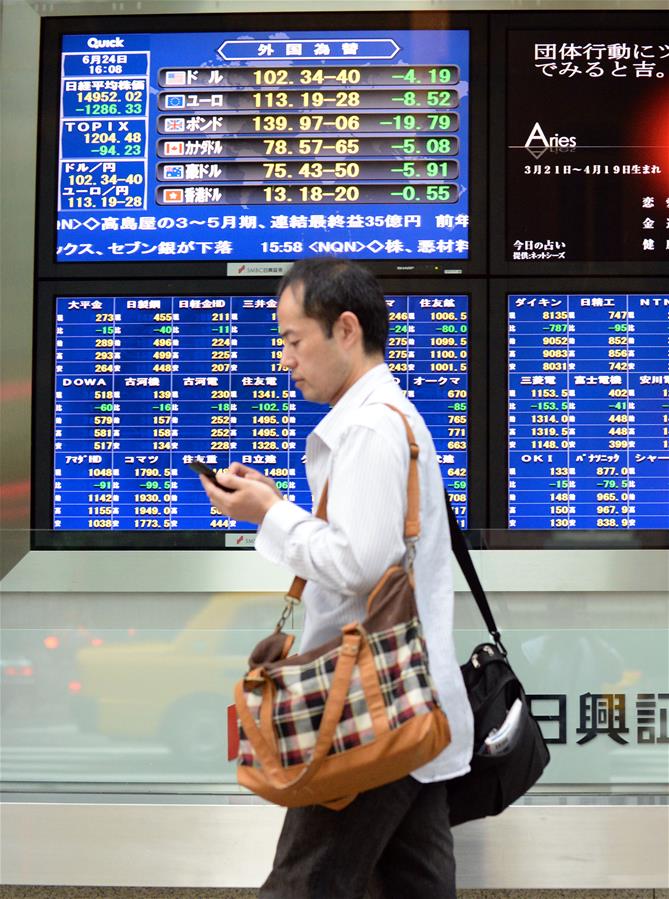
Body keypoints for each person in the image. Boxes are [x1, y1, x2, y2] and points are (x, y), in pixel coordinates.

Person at [198, 257, 474, 899]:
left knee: (305, 884)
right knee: (415, 883)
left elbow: (359, 566)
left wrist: (269, 514)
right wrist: (280, 508)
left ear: (345, 329)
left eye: (294, 340)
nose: (285, 359)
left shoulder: (371, 425)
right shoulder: (380, 417)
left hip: (364, 706)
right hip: (405, 700)